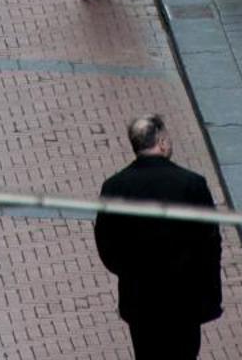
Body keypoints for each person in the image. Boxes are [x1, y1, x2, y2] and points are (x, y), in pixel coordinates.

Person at [93, 113, 223, 360]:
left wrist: (130, 272)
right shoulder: (192, 184)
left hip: (141, 300)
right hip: (184, 299)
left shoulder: (115, 187)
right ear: (162, 142)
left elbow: (107, 246)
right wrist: (210, 296)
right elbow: (209, 245)